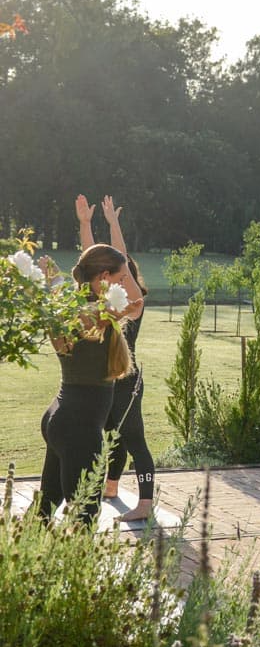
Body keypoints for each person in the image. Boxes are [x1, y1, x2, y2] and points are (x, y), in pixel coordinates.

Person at [35, 243, 140, 525]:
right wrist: (112, 308)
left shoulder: (70, 308)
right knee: (85, 518)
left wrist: (53, 279)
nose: (124, 285)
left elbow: (77, 305)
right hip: (79, 426)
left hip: (63, 416)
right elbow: (129, 303)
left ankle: (31, 566)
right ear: (104, 276)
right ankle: (74, 570)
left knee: (44, 511)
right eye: (120, 279)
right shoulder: (92, 315)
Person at [77, 194, 155, 521]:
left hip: (127, 382)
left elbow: (118, 259)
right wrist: (85, 225)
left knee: (133, 437)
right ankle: (111, 487)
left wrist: (114, 225)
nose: (116, 280)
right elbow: (95, 263)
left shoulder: (133, 305)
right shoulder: (108, 303)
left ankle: (145, 505)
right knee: (111, 434)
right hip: (105, 381)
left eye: (123, 277)